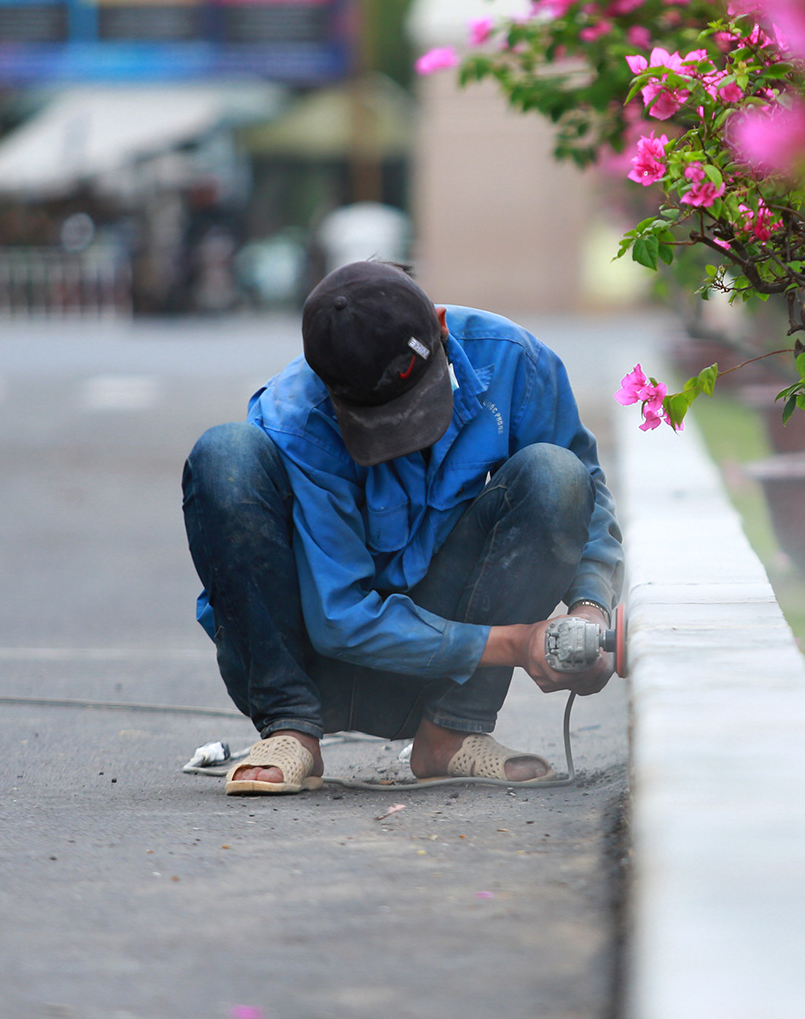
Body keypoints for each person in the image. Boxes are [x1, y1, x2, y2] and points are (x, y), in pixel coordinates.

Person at [182, 262, 621, 795]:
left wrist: (590, 615)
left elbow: (588, 497)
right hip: (315, 667)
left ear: (440, 326)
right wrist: (519, 643)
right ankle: (289, 727)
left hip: (439, 676)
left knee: (557, 475)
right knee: (224, 454)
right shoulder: (294, 415)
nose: (403, 436)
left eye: (417, 409)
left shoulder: (512, 363)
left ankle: (451, 733)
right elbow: (338, 617)